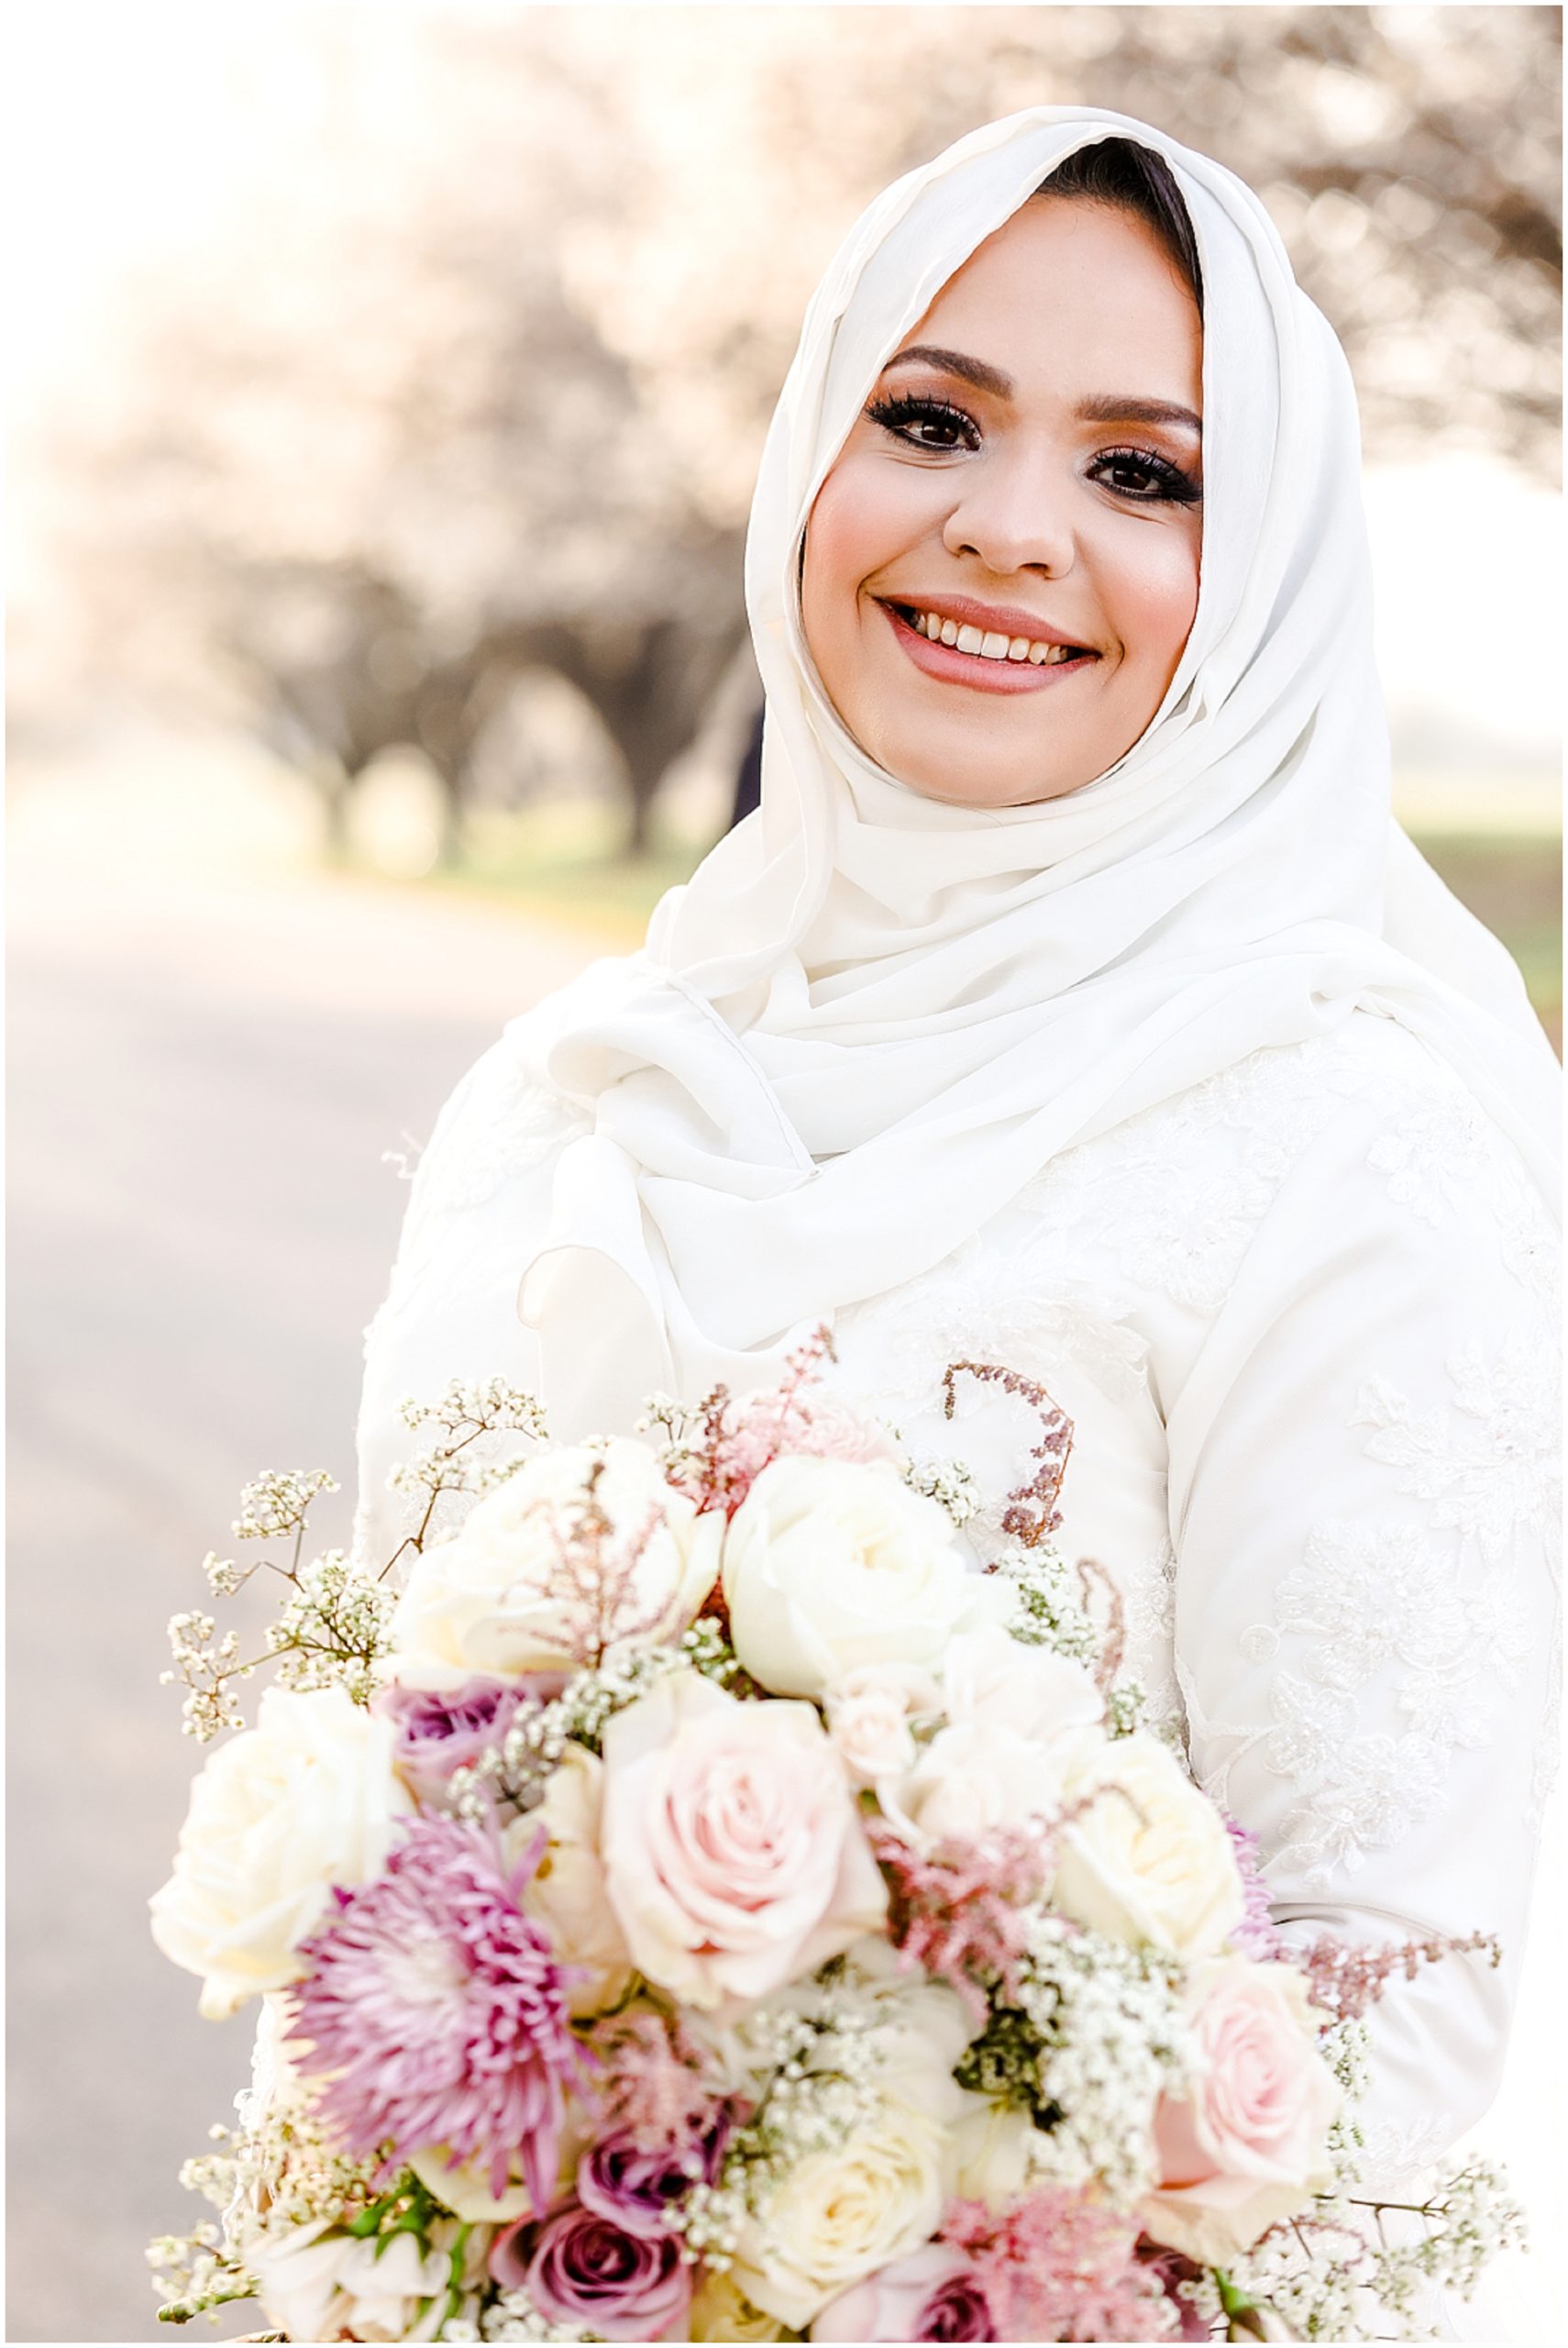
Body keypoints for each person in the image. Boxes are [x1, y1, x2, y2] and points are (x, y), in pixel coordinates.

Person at [351, 109, 1560, 2330]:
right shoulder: (577, 1092)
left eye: (1146, 473)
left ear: (1265, 573)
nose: (1009, 532)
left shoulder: (1343, 1135)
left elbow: (1401, 2026)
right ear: (812, 454)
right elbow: (379, 1861)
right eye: (929, 420)